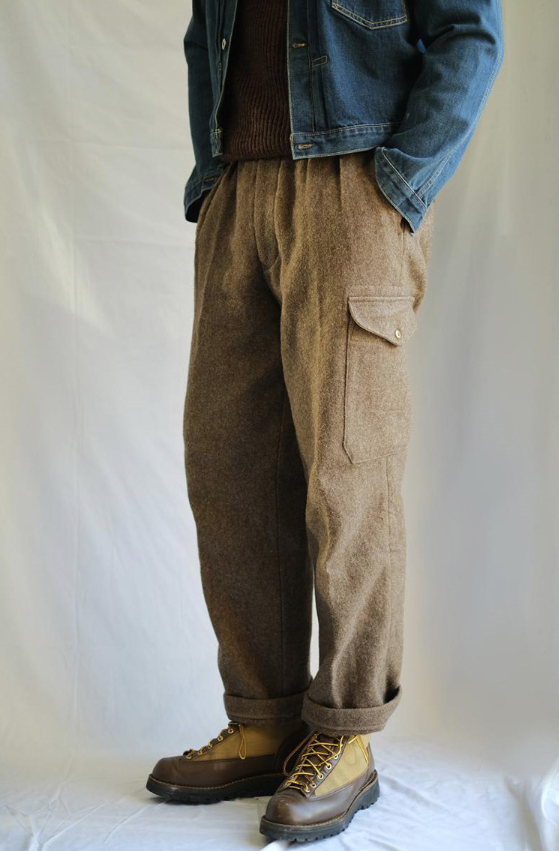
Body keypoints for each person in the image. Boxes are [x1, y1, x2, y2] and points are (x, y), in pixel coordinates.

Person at [146, 0, 504, 842]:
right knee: (228, 466)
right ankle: (265, 717)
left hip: (351, 183)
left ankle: (345, 733)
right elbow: (205, 39)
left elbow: (469, 32)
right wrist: (213, 175)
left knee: (350, 471)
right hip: (240, 191)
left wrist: (399, 184)